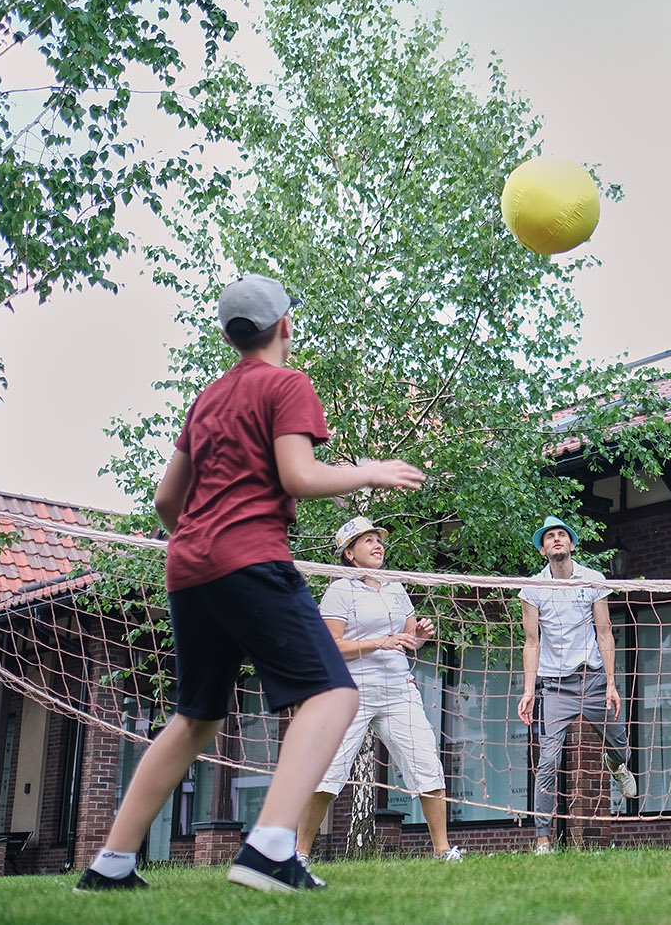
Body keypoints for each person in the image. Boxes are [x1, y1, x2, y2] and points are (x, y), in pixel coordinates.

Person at [75, 273, 425, 893]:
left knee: (195, 717)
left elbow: (166, 501)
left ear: (230, 336)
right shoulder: (287, 384)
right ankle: (268, 848)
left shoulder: (208, 398)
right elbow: (298, 475)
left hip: (188, 567)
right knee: (334, 696)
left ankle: (111, 864)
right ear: (285, 325)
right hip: (250, 560)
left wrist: (202, 544)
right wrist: (369, 472)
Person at [295, 516, 462, 863]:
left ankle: (443, 850)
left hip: (398, 690)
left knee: (427, 764)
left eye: (378, 539)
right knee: (327, 773)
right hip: (350, 693)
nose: (377, 545)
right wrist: (380, 642)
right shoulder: (340, 589)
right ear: (350, 553)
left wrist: (420, 636)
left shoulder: (395, 587)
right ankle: (300, 854)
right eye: (368, 540)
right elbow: (330, 646)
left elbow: (408, 639)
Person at [516, 515, 638, 854]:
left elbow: (605, 632)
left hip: (594, 678)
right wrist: (529, 691)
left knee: (621, 745)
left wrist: (611, 683)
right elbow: (531, 643)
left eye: (561, 535)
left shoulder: (593, 579)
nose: (556, 539)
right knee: (547, 761)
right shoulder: (532, 588)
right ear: (543, 550)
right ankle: (543, 840)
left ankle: (616, 764)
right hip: (555, 686)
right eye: (549, 537)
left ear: (571, 544)